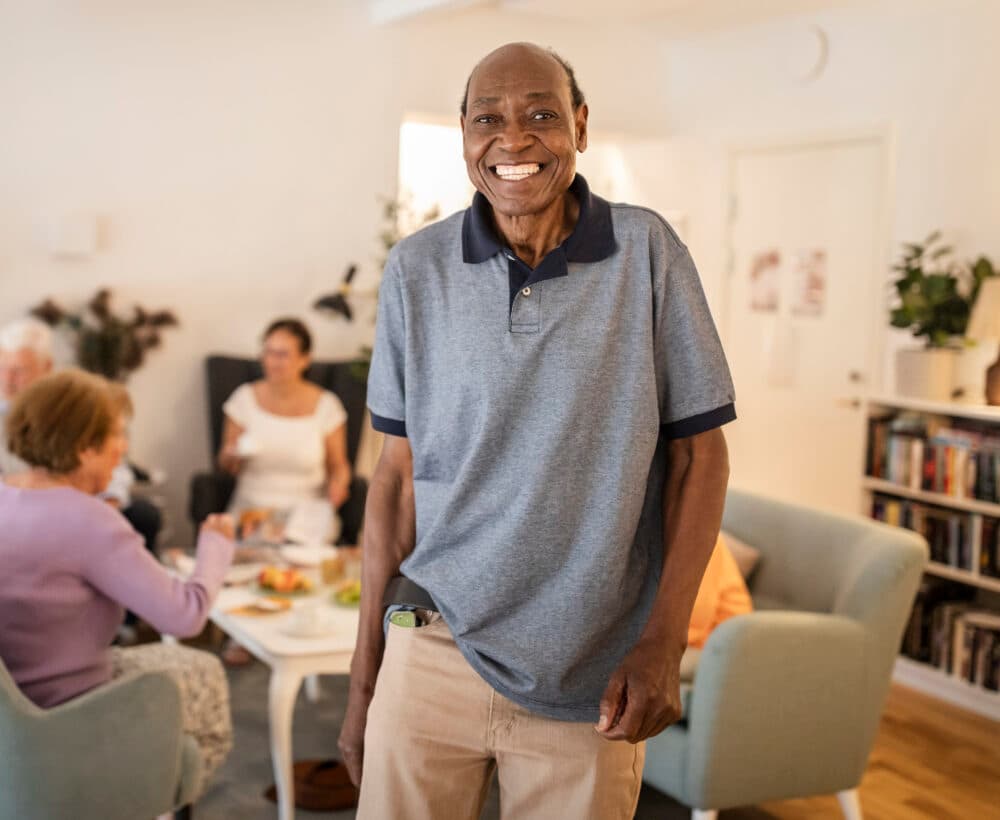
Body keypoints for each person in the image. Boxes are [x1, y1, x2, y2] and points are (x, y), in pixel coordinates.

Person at [339, 43, 736, 819]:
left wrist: (665, 642)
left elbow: (701, 462)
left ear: (580, 128)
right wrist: (366, 683)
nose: (513, 140)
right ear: (463, 136)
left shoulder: (649, 255)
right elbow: (394, 483)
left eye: (542, 116)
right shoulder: (415, 272)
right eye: (488, 118)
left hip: (590, 675)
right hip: (431, 642)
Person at [0, 369, 237, 787]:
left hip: (12, 716)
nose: (123, 449)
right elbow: (184, 616)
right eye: (116, 435)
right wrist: (215, 547)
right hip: (73, 711)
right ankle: (148, 799)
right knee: (203, 672)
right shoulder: (92, 521)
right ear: (83, 447)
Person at [218, 317, 351, 540]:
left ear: (304, 359)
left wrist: (339, 484)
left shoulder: (327, 405)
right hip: (252, 512)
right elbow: (225, 462)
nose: (272, 362)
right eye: (268, 352)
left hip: (306, 516)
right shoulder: (243, 399)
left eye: (282, 355)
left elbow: (339, 466)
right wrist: (230, 456)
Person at [0, 317, 53, 474]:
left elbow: (116, 470)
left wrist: (112, 497)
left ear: (47, 367)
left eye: (19, 370)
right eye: (2, 368)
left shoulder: (67, 412)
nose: (8, 379)